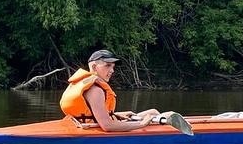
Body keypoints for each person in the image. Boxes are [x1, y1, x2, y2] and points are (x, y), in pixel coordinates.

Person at [59, 50, 193, 134]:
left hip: (82, 123)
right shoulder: (95, 90)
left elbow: (95, 115)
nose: (112, 70)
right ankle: (170, 121)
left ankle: (167, 119)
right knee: (153, 117)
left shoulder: (84, 84)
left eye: (113, 66)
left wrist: (117, 114)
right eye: (107, 66)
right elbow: (106, 126)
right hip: (91, 128)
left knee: (152, 112)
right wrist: (140, 124)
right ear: (94, 66)